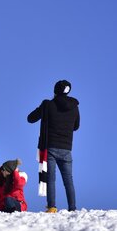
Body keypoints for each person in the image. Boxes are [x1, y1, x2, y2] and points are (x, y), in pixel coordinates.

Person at [27, 80, 80, 212]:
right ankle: (72, 208)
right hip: (67, 148)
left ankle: (51, 207)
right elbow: (76, 126)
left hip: (50, 147)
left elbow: (30, 118)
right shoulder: (74, 107)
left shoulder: (48, 105)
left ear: (55, 91)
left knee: (51, 178)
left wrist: (43, 107)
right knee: (68, 179)